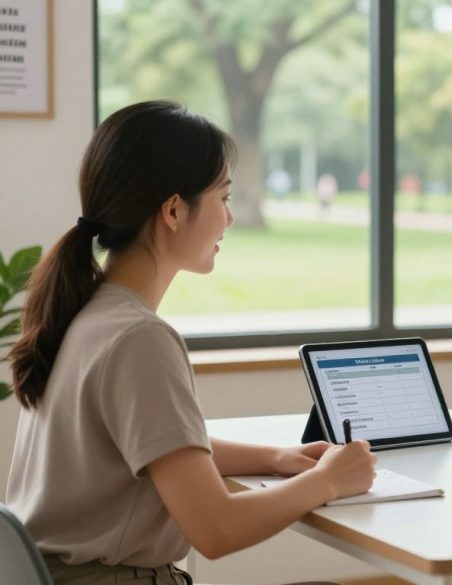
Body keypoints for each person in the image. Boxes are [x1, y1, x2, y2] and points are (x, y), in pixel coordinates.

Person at [5, 101, 377, 585]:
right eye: (223, 198)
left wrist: (274, 457)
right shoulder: (141, 339)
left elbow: (159, 447)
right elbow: (216, 529)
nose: (229, 219)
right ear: (174, 210)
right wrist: (327, 481)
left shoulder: (87, 312)